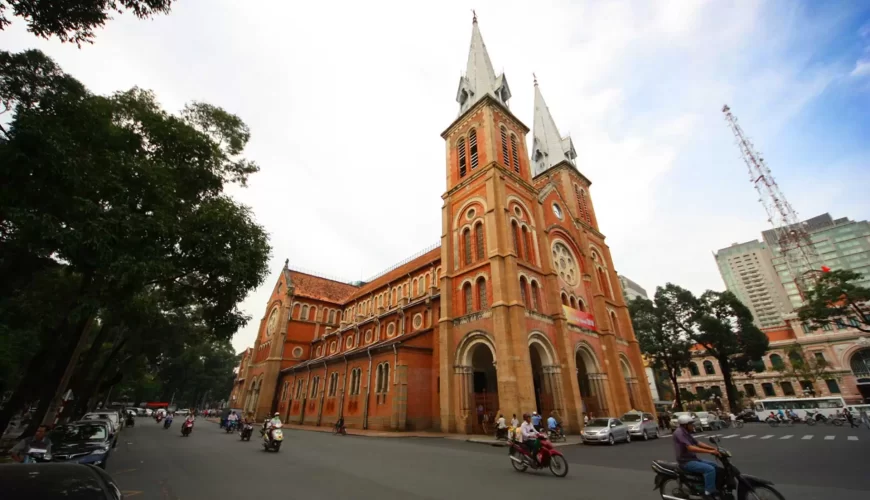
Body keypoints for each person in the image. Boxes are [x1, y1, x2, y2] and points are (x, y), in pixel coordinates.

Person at [673, 414, 722, 500]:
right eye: (691, 424)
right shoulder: (679, 433)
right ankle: (708, 493)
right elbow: (690, 447)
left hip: (693, 459)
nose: (693, 425)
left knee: (714, 465)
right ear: (685, 425)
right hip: (685, 462)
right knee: (709, 469)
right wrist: (710, 452)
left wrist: (713, 448)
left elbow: (697, 443)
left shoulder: (686, 432)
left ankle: (708, 485)